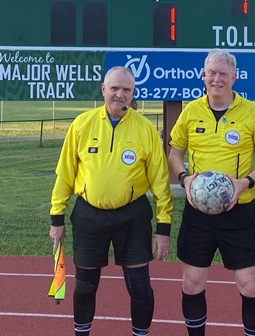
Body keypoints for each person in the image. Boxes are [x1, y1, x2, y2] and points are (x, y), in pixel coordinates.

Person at [49, 66, 173, 336]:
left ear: (133, 93)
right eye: (114, 88)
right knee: (85, 285)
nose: (120, 94)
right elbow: (65, 174)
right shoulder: (82, 124)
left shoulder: (146, 131)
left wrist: (163, 229)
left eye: (126, 90)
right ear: (103, 89)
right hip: (88, 216)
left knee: (139, 286)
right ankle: (82, 332)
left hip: (132, 216)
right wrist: (56, 218)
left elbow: (161, 183)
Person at [168, 49, 255, 336]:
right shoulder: (191, 111)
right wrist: (185, 178)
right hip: (199, 212)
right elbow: (174, 152)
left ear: (234, 76)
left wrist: (246, 182)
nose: (216, 79)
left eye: (222, 73)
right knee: (191, 283)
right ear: (203, 75)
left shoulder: (251, 113)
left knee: (250, 285)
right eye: (211, 73)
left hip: (239, 212)